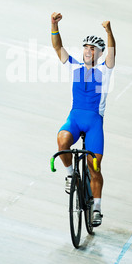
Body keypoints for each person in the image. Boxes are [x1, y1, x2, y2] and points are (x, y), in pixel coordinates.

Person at [51, 12, 116, 227]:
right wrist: (54, 25)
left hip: (94, 122)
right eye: (86, 47)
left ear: (99, 53)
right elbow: (57, 47)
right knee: (62, 140)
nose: (89, 51)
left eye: (93, 48)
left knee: (94, 167)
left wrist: (108, 32)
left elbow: (113, 51)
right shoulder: (74, 67)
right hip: (76, 118)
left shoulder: (105, 71)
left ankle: (96, 208)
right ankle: (70, 175)